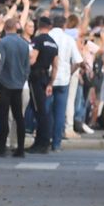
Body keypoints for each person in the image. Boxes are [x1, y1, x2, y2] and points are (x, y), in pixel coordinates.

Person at [0, 18, 30, 157]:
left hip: (4, 84)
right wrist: (22, 79)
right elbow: (27, 67)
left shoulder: (3, 43)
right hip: (18, 85)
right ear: (16, 27)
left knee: (3, 117)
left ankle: (2, 147)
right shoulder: (24, 44)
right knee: (19, 117)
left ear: (6, 28)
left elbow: (0, 64)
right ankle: (20, 148)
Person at [46, 15, 83, 152]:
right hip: (63, 80)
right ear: (64, 25)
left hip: (48, 78)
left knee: (47, 111)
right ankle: (56, 143)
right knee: (60, 113)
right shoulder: (68, 39)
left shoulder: (47, 36)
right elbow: (78, 61)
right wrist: (69, 72)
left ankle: (46, 139)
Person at [27, 17, 59, 154]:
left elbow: (32, 60)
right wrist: (50, 83)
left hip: (35, 77)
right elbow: (56, 66)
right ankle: (43, 141)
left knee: (39, 111)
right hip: (45, 77)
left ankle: (41, 143)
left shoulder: (38, 40)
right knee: (43, 110)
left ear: (39, 25)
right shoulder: (53, 43)